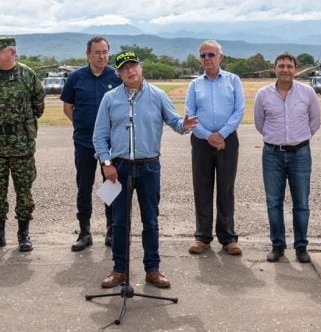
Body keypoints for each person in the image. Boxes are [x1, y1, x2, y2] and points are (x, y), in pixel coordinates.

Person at [93, 52, 197, 289]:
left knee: (150, 220)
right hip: (119, 168)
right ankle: (119, 270)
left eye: (134, 66)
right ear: (119, 73)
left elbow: (175, 122)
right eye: (125, 68)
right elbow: (99, 135)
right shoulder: (110, 99)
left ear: (141, 68)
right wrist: (106, 164)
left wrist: (185, 125)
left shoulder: (158, 95)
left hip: (149, 167)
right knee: (119, 222)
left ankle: (152, 269)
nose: (131, 71)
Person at [0, 37, 45, 253]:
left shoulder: (27, 75)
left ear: (11, 53)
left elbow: (38, 105)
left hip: (21, 144)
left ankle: (24, 234)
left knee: (24, 190)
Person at [254, 53, 320, 263]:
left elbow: (314, 121)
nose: (285, 70)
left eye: (289, 66)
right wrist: (277, 138)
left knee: (301, 203)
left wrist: (297, 139)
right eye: (281, 66)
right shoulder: (263, 94)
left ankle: (301, 247)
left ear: (296, 69)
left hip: (300, 153)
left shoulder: (307, 92)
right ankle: (277, 245)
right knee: (274, 202)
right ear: (275, 69)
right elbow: (259, 123)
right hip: (272, 153)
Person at [184, 39, 245, 256]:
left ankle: (228, 237)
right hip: (202, 142)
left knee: (226, 189)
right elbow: (190, 115)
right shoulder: (195, 85)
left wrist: (221, 134)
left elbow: (239, 111)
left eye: (211, 54)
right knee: (202, 188)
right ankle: (202, 237)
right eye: (203, 55)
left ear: (220, 56)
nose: (207, 59)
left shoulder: (233, 80)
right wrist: (209, 136)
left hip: (227, 141)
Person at [61, 36, 122, 251]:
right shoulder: (76, 78)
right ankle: (85, 232)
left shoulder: (116, 76)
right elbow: (68, 107)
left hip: (111, 145)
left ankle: (112, 230)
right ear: (88, 54)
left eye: (105, 52)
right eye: (97, 52)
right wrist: (82, 126)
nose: (102, 56)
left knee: (111, 185)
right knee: (84, 186)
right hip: (85, 143)